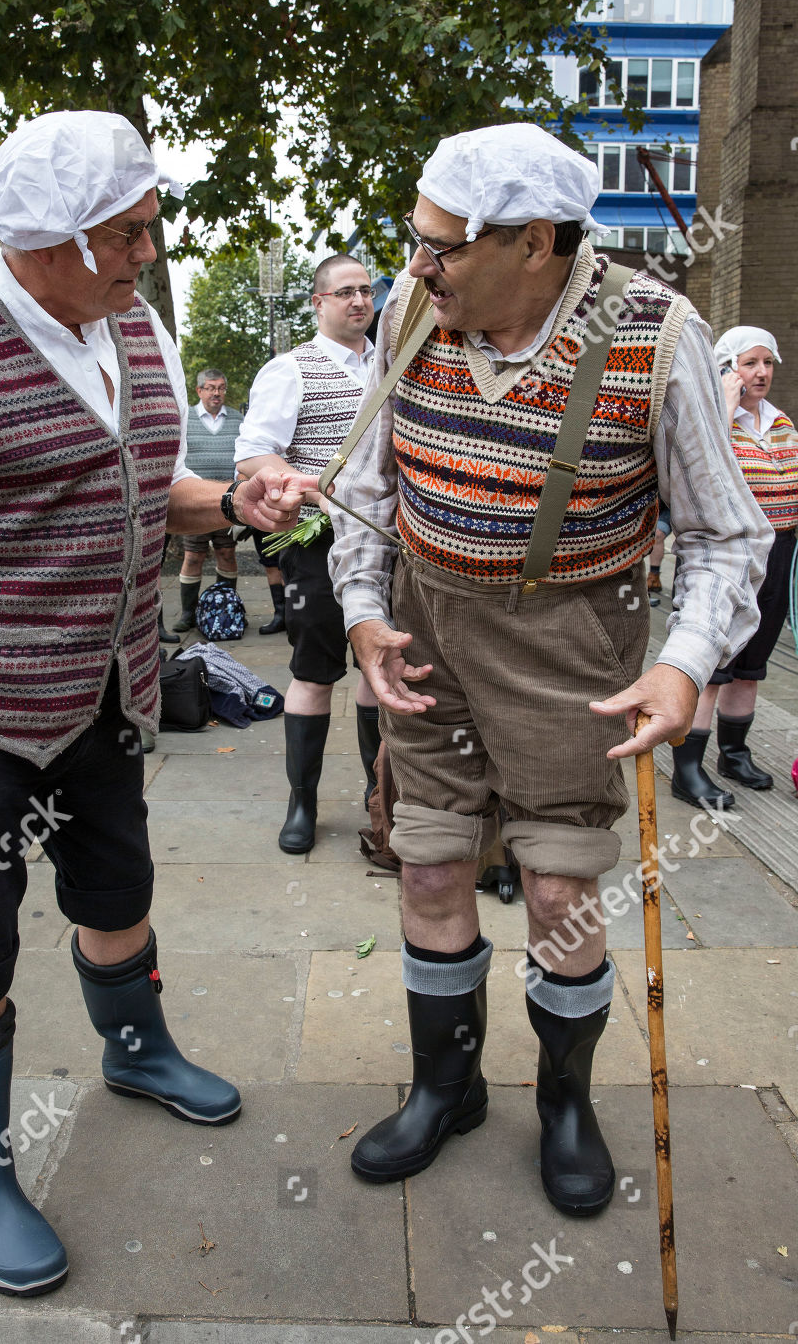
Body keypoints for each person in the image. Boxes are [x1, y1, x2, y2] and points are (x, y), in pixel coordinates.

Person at [0, 111, 314, 1297]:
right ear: (48, 242)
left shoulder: (127, 323)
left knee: (119, 889)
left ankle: (137, 1050)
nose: (150, 249)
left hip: (106, 695)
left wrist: (236, 502)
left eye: (151, 225)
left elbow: (157, 488)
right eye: (130, 232)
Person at [327, 123, 771, 1216]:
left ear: (534, 243)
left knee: (561, 888)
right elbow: (373, 488)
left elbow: (726, 534)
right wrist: (359, 612)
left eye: (440, 248)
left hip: (573, 640)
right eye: (413, 242)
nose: (414, 268)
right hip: (425, 627)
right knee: (428, 868)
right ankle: (447, 1087)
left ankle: (565, 1104)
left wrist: (681, 666)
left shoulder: (659, 338)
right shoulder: (408, 313)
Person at [235, 255, 382, 853]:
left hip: (388, 540)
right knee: (313, 671)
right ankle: (303, 803)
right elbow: (251, 454)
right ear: (318, 303)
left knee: (382, 668)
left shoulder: (399, 366)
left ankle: (383, 802)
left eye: (366, 290)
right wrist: (300, 480)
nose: (359, 301)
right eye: (344, 292)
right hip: (317, 541)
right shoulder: (289, 370)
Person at [670, 326, 798, 804]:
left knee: (751, 666)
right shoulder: (716, 418)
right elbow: (705, 464)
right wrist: (722, 404)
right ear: (728, 370)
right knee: (713, 663)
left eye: (767, 362)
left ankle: (734, 753)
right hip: (731, 555)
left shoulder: (780, 422)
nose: (761, 372)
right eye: (750, 363)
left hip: (780, 552)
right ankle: (688, 770)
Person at [170, 369, 244, 632]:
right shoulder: (185, 418)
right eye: (211, 388)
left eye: (221, 387)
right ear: (199, 390)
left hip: (228, 503)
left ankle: (225, 608)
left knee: (227, 553)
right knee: (193, 556)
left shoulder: (237, 419)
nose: (217, 393)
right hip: (195, 502)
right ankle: (187, 615)